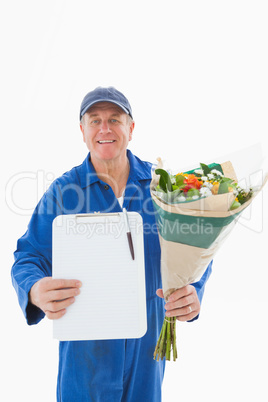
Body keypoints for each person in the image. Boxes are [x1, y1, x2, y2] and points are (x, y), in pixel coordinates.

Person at [11, 86, 212, 401]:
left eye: (115, 119)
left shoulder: (164, 186)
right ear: (83, 131)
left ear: (131, 129)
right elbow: (29, 256)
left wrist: (193, 291)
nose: (104, 128)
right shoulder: (64, 192)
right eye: (94, 120)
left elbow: (198, 246)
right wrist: (35, 289)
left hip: (148, 351)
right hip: (85, 356)